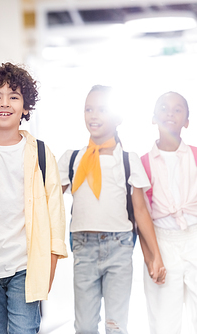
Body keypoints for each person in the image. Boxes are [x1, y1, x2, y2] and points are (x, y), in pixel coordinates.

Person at [0, 62, 68, 334]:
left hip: (26, 265)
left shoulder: (41, 154)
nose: (4, 103)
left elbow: (55, 214)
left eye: (14, 96)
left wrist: (50, 266)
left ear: (25, 107)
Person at [58, 85, 166, 334]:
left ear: (118, 118)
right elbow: (47, 201)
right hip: (83, 247)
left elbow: (140, 212)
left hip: (119, 247)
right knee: (84, 326)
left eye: (102, 110)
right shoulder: (72, 159)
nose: (94, 115)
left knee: (115, 325)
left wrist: (155, 255)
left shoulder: (128, 160)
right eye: (89, 109)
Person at [141, 92, 197, 334]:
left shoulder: (195, 156)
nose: (170, 113)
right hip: (161, 242)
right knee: (164, 320)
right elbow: (139, 217)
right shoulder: (142, 162)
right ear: (154, 117)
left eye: (178, 109)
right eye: (164, 108)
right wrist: (151, 257)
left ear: (187, 120)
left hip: (194, 238)